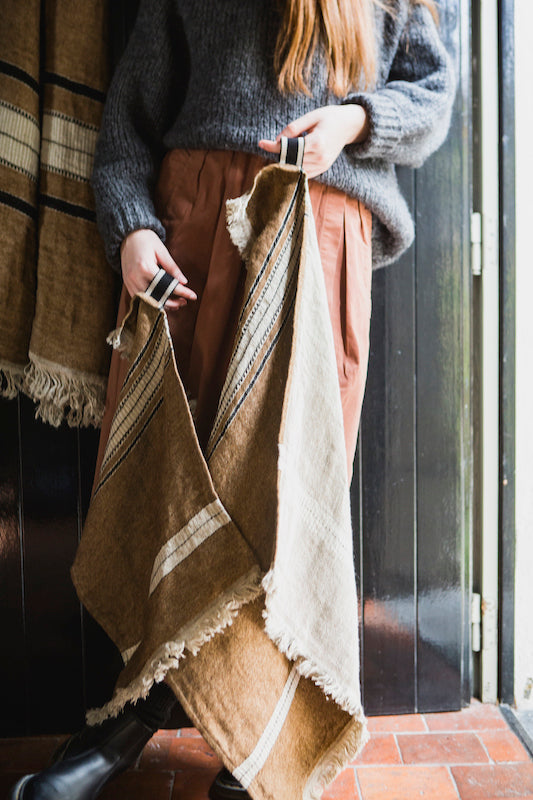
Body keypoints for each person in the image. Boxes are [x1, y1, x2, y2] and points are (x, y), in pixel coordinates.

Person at [9, 1, 455, 799]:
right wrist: (132, 230)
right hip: (192, 240)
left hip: (320, 244)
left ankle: (253, 754)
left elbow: (432, 95)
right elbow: (126, 131)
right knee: (174, 488)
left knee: (283, 504)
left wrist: (352, 124)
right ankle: (131, 718)